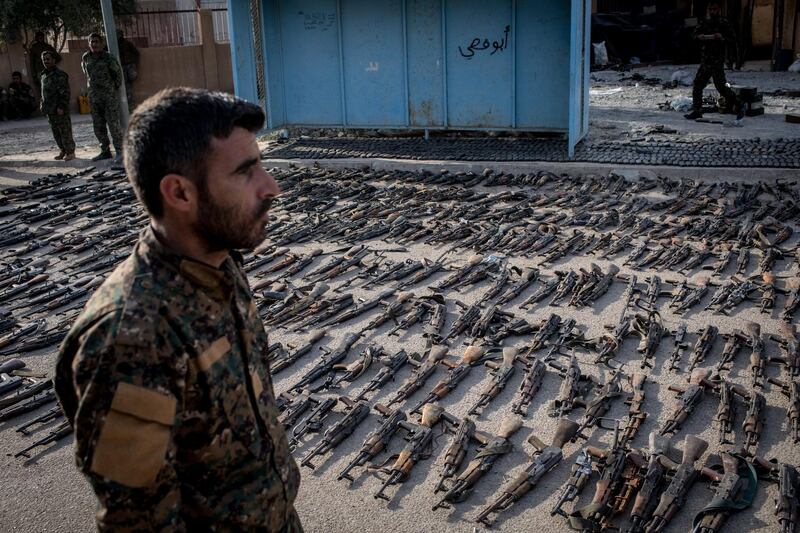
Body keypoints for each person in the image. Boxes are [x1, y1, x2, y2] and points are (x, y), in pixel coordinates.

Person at [55, 87, 302, 532]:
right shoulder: (131, 337)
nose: (271, 187)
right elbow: (138, 521)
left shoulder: (220, 264)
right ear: (180, 193)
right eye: (246, 172)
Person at [684, 1, 743, 120]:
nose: (712, 12)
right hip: (706, 60)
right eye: (710, 10)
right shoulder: (705, 23)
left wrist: (721, 37)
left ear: (719, 10)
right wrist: (699, 37)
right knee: (698, 85)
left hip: (717, 60)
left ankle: (739, 104)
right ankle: (697, 110)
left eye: (714, 9)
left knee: (721, 87)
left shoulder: (724, 23)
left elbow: (732, 39)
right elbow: (693, 36)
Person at [81, 33, 124, 162]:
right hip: (94, 97)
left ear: (102, 43)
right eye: (91, 42)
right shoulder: (86, 57)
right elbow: (86, 73)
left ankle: (120, 152)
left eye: (96, 41)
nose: (94, 44)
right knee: (98, 126)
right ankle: (105, 151)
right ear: (89, 44)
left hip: (108, 97)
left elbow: (118, 76)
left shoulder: (109, 58)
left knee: (113, 125)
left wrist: (110, 90)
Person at [40, 51, 75, 161]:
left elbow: (65, 93)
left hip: (59, 109)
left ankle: (70, 152)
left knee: (65, 131)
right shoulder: (43, 75)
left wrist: (61, 107)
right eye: (44, 59)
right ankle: (63, 150)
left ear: (54, 60)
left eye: (48, 59)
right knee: (56, 132)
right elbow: (43, 92)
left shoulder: (60, 74)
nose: (46, 61)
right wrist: (42, 104)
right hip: (49, 109)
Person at [117, 30, 140, 112]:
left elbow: (136, 53)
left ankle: (131, 108)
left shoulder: (127, 43)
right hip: (120, 67)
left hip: (128, 67)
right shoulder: (114, 44)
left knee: (128, 88)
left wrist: (134, 64)